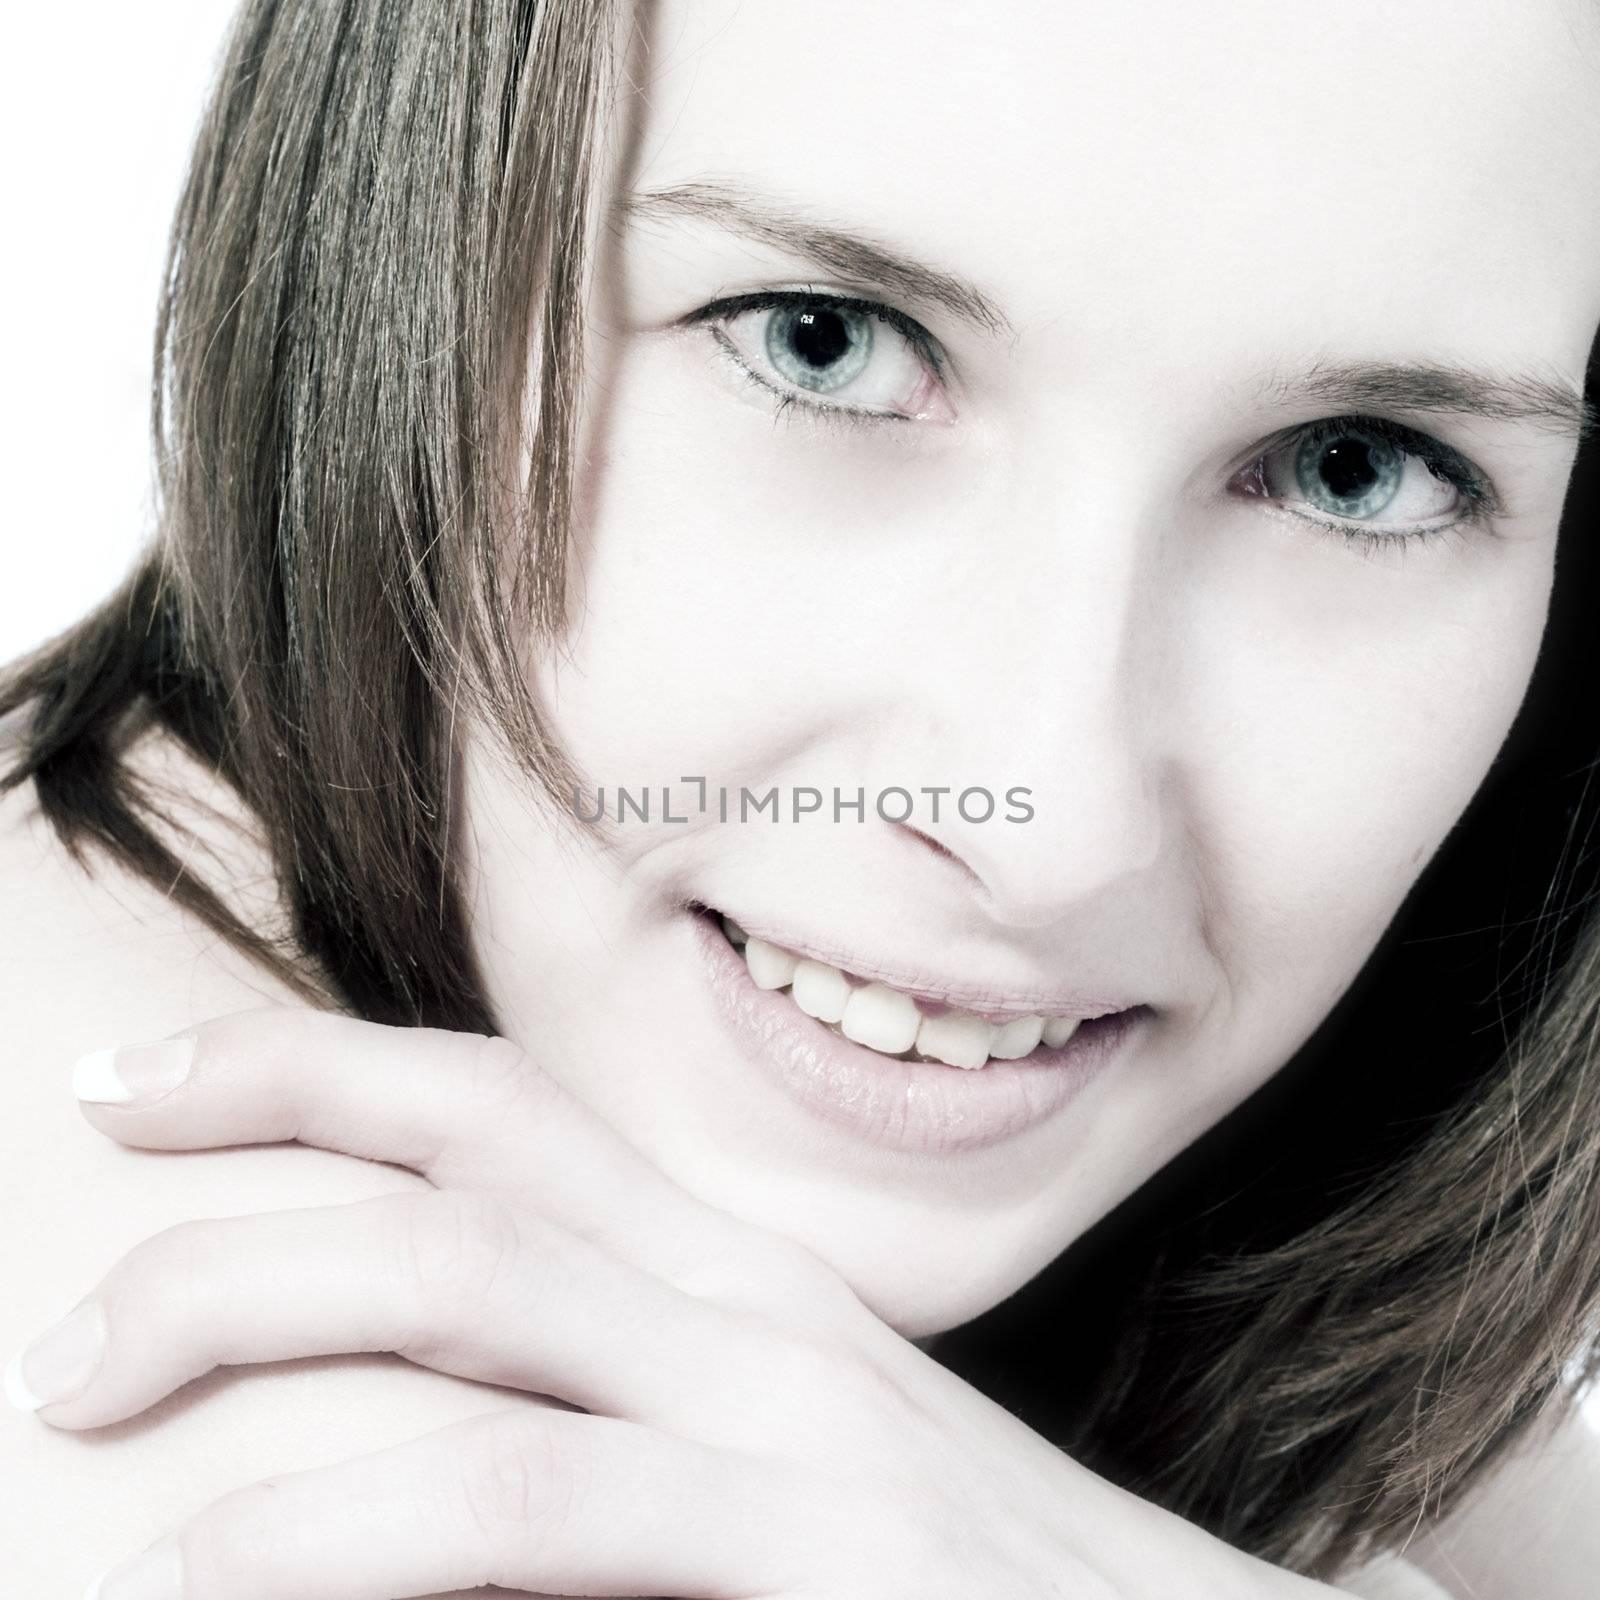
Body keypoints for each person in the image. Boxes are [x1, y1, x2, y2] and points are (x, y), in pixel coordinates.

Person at [2, 0, 1598, 1594]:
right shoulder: (282, 1434)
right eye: (820, 340)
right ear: (376, 232)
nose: (1047, 828)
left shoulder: (1309, 1297)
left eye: (1355, 470)